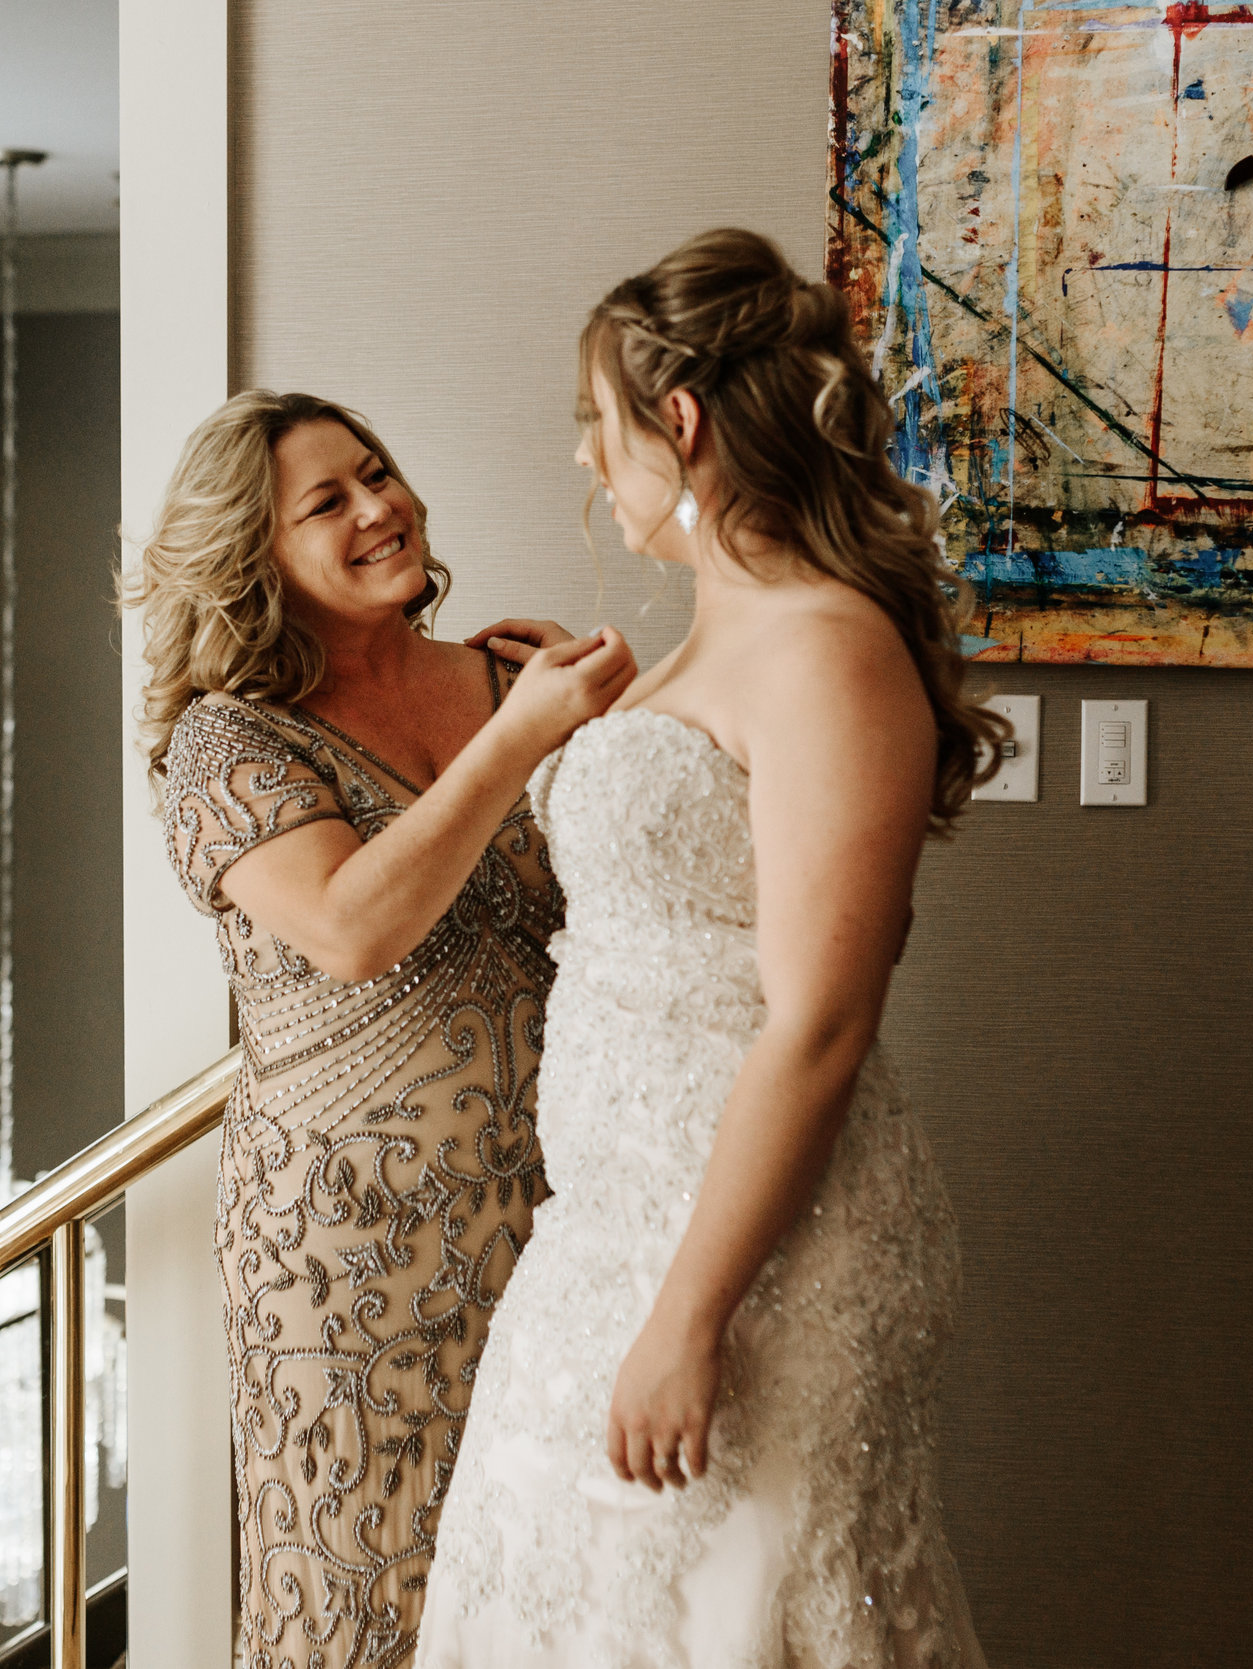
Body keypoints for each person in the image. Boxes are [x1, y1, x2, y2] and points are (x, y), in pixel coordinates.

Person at [417, 230, 1003, 1668]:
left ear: (675, 423)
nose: (581, 462)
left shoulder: (827, 645)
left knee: (728, 1614)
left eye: (592, 426)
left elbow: (816, 1020)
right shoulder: (694, 646)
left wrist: (691, 1315)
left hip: (754, 1252)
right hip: (605, 1232)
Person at [130, 390, 636, 1668]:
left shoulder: (512, 674)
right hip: (344, 1255)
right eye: (329, 500)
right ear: (255, 558)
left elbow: (629, 901)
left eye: (380, 472)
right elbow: (354, 928)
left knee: (549, 1579)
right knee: (362, 1594)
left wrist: (596, 733)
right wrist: (520, 738)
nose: (381, 506)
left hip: (555, 1209)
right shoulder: (228, 743)